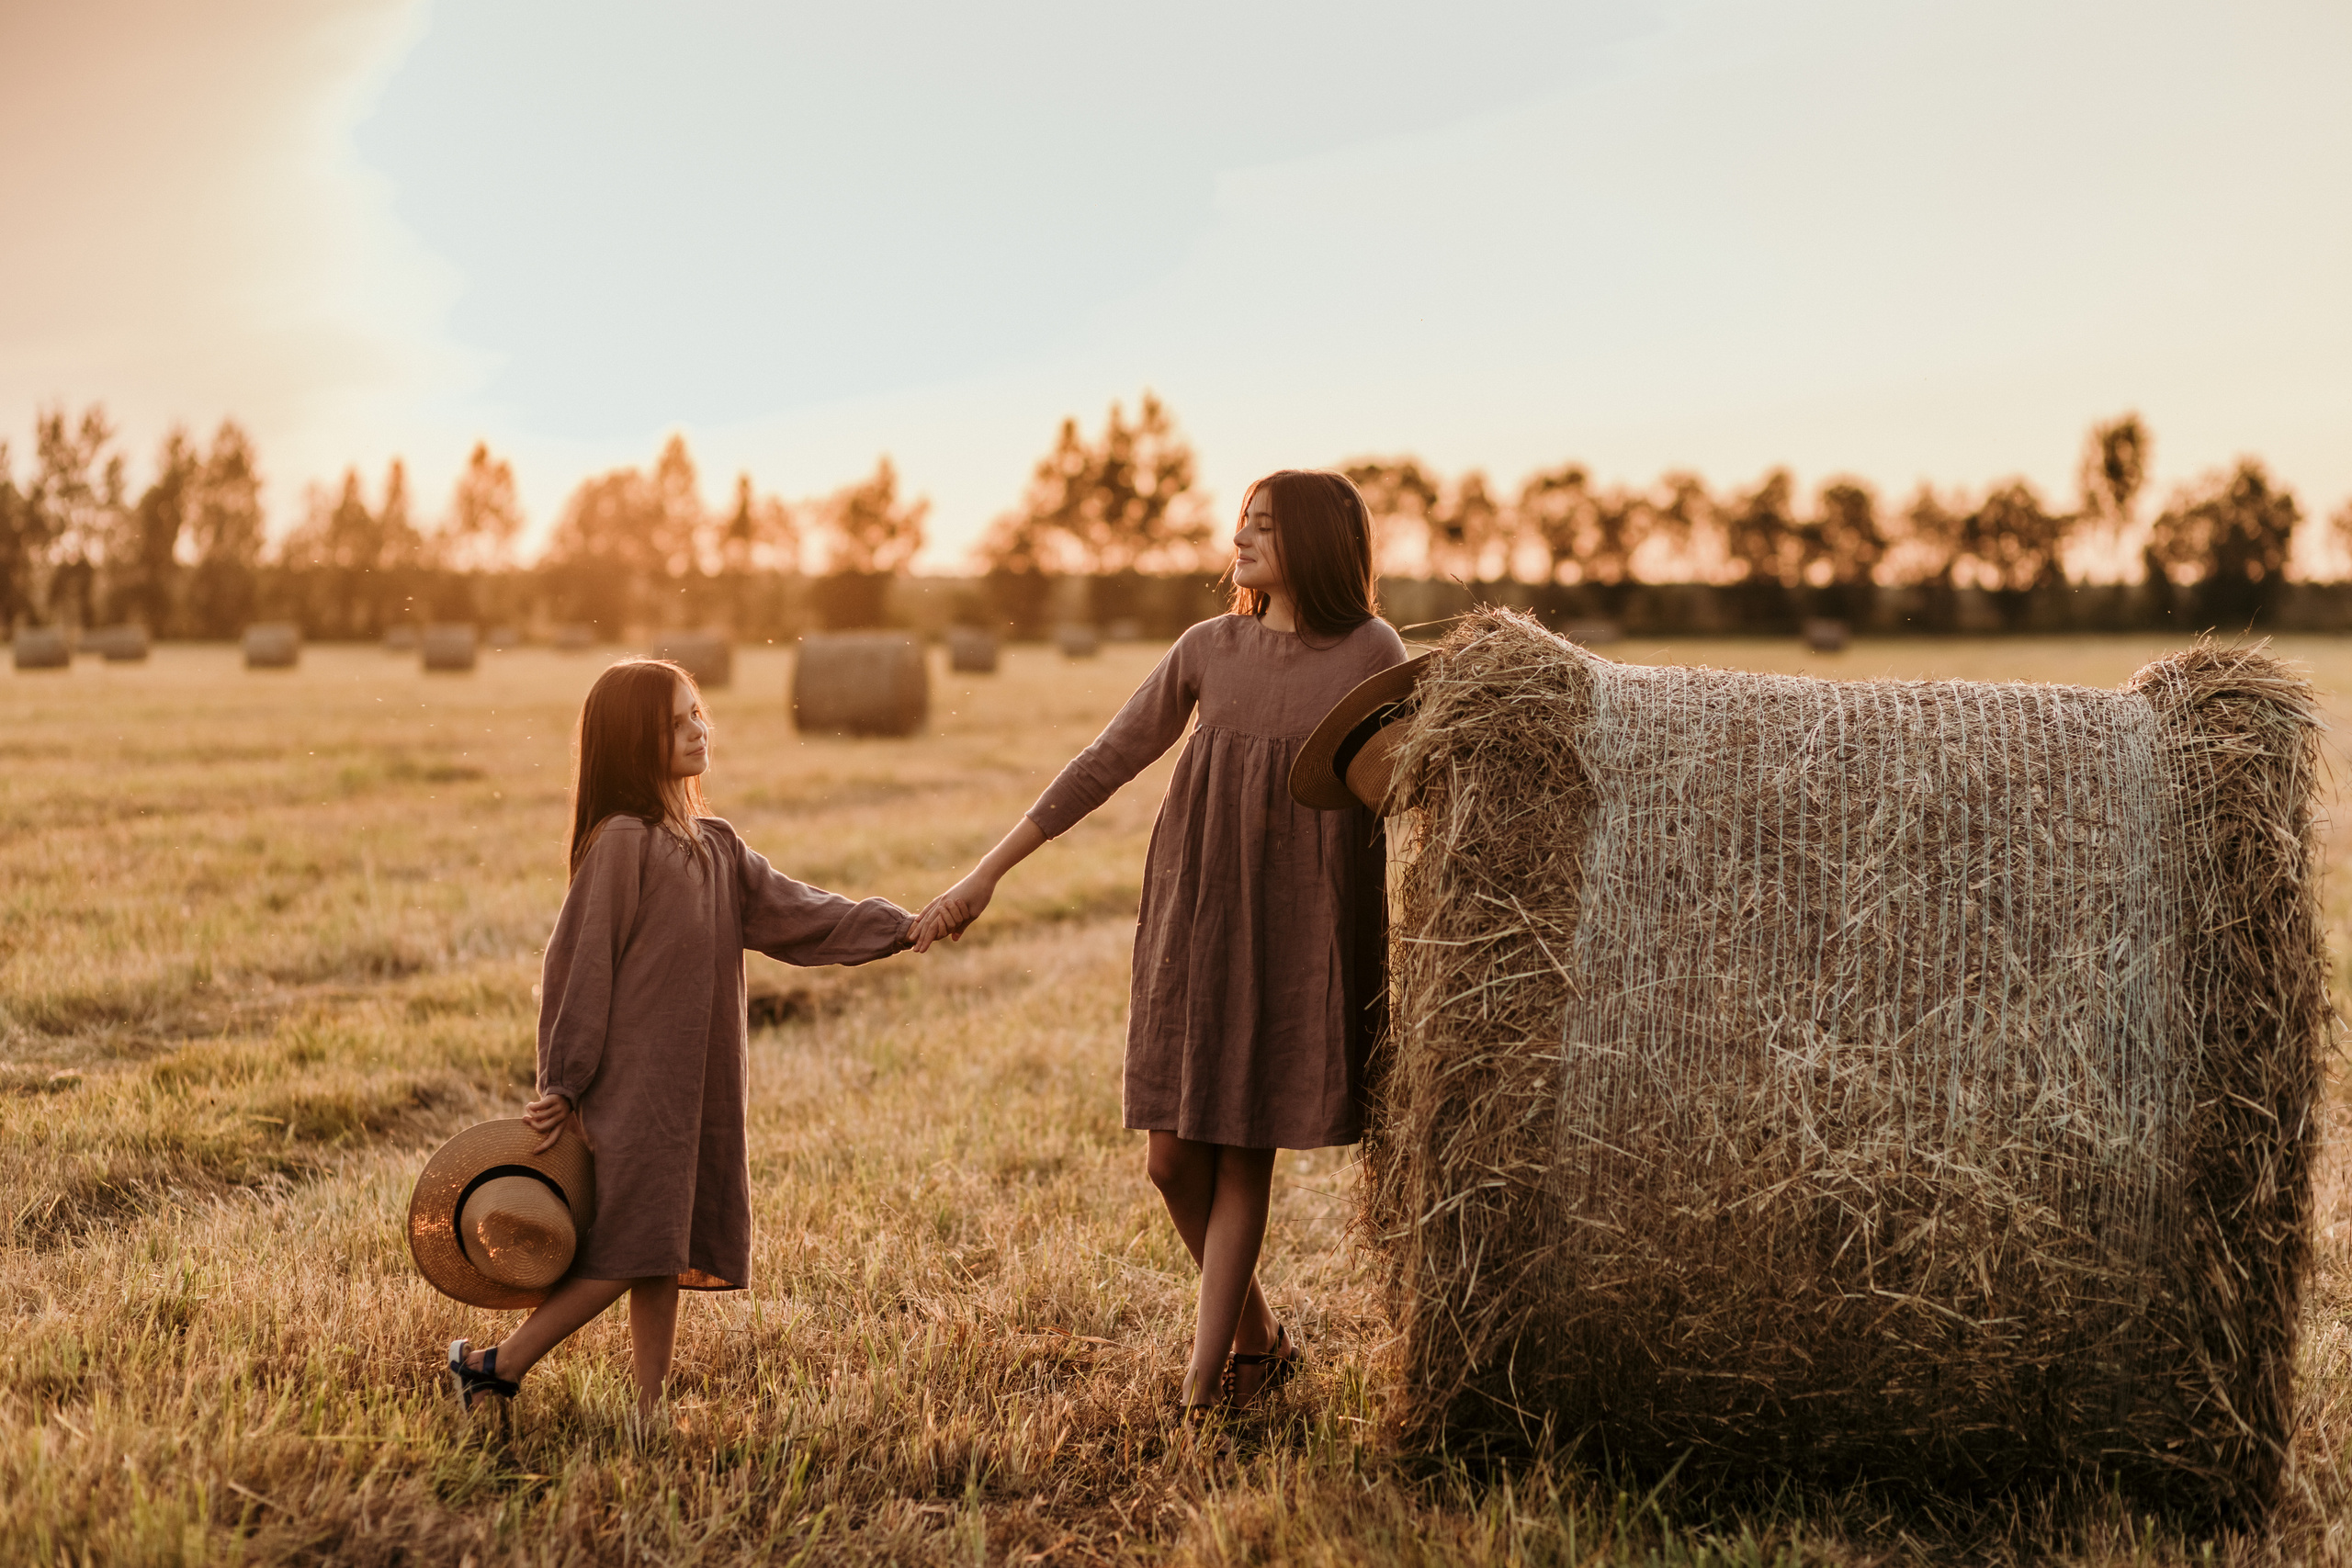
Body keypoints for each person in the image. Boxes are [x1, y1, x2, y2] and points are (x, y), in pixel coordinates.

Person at [912, 469, 1408, 1428]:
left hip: (1299, 925)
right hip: (1200, 914)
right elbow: (1104, 760)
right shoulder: (1205, 648)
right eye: (1242, 522)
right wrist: (989, 871)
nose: (1241, 537)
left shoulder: (1367, 652)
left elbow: (1411, 780)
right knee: (1172, 1163)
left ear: (1313, 540)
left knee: (1240, 1155)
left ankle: (1200, 1388)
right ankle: (1262, 1339)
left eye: (1263, 525)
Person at [448, 658, 918, 1416]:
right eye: (676, 721)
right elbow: (578, 964)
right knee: (627, 1249)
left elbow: (804, 915)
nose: (698, 728)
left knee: (660, 1252)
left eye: (697, 712)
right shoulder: (621, 844)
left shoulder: (719, 846)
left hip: (696, 1091)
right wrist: (563, 1083)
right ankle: (492, 1363)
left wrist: (899, 927)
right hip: (632, 1093)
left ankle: (646, 1409)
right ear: (635, 742)